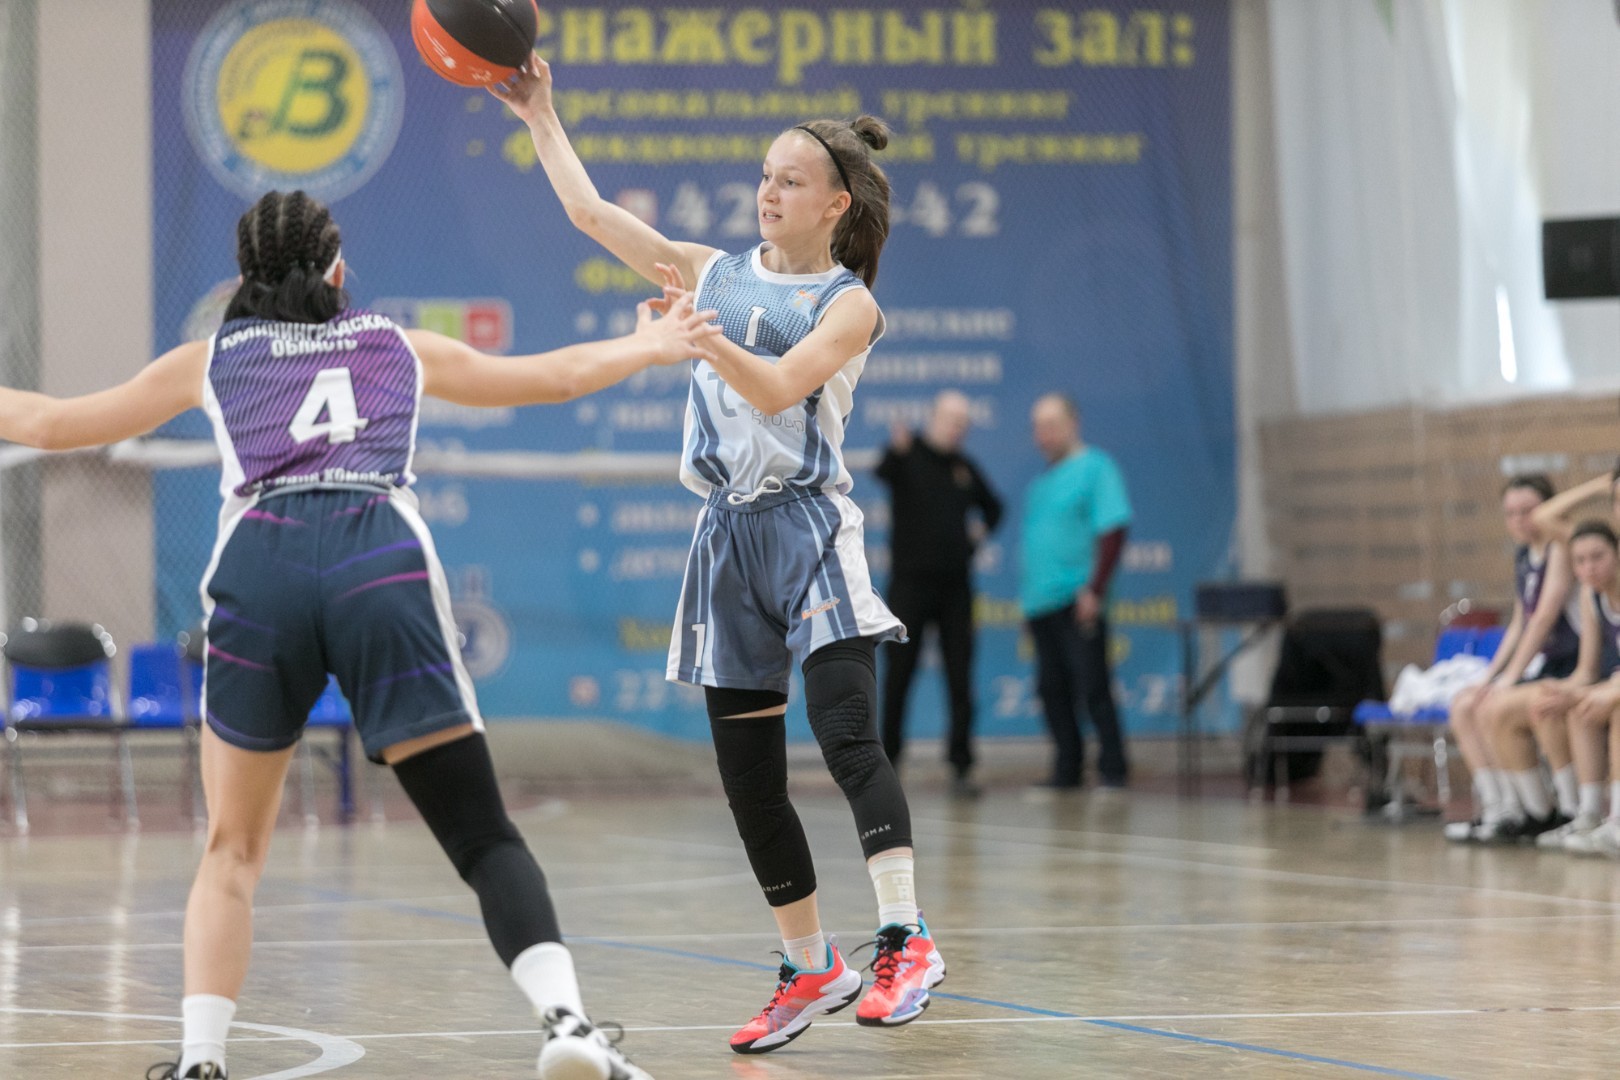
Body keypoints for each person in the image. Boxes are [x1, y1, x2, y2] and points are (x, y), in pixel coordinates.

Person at [0, 191, 722, 1080]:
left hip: (262, 563)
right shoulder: (397, 346)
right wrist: (653, 343)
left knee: (231, 849)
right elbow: (558, 376)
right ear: (339, 270)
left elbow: (50, 424)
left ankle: (200, 1062)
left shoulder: (211, 359)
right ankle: (568, 1026)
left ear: (244, 277)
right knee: (484, 836)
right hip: (376, 556)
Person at [493, 55, 948, 1055]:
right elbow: (591, 216)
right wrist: (540, 115)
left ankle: (905, 940)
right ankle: (810, 963)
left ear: (834, 203)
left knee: (846, 735)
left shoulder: (848, 303)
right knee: (748, 780)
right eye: (764, 175)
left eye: (789, 180)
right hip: (726, 540)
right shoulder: (712, 271)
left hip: (809, 530)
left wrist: (696, 341)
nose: (767, 192)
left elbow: (780, 388)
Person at [874, 389, 1003, 796]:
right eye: (950, 420)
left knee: (960, 677)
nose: (956, 428)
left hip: (955, 590)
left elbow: (994, 508)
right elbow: (883, 472)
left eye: (963, 423)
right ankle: (888, 763)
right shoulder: (907, 454)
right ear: (933, 418)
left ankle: (961, 766)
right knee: (899, 675)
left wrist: (975, 536)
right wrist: (896, 450)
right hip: (910, 586)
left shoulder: (964, 467)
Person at [1443, 475, 1578, 842]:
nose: (1519, 520)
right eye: (1511, 513)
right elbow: (1520, 622)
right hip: (1545, 665)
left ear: (1547, 508)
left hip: (1570, 663)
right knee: (1465, 704)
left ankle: (1541, 810)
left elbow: (1544, 618)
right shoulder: (1523, 556)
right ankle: (1500, 807)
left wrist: (1510, 678)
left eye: (1527, 510)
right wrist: (1491, 676)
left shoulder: (1560, 549)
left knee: (1494, 706)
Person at [1018, 393, 1132, 790]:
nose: (1043, 435)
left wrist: (1095, 590)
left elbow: (1113, 530)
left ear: (1072, 425)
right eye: (1037, 428)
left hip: (1078, 600)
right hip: (1042, 604)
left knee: (1093, 685)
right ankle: (1067, 770)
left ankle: (1113, 769)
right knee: (1052, 690)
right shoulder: (1041, 483)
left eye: (1051, 426)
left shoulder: (1096, 468)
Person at [1484, 519, 1620, 844]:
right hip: (1608, 682)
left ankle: (1616, 818)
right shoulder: (1591, 596)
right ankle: (1581, 814)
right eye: (1580, 561)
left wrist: (1594, 693)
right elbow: (1586, 671)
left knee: (1610, 710)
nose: (1589, 568)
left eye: (1597, 557)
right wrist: (1564, 690)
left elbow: (1542, 517)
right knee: (1558, 704)